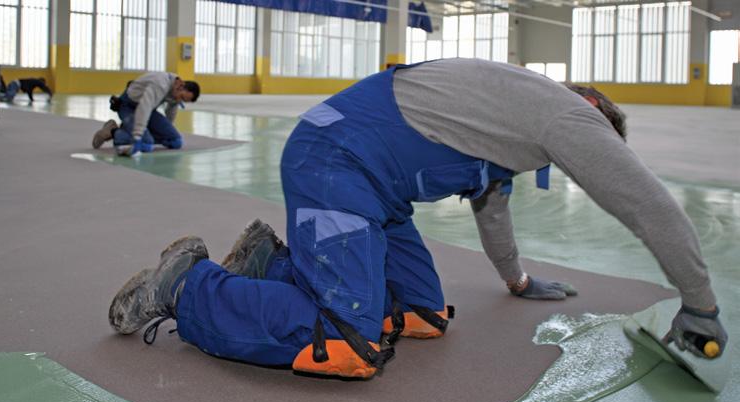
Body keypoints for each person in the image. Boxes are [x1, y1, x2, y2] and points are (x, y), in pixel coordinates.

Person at [108, 58, 728, 379]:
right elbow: (648, 206)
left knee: (422, 317)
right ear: (597, 120)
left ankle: (274, 263)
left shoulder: (517, 118)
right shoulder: (568, 117)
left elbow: (494, 210)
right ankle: (187, 285)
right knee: (349, 345)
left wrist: (515, 282)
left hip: (377, 195)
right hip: (334, 161)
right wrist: (700, 303)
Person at [91, 72, 200, 156]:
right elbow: (144, 107)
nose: (179, 100)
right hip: (128, 106)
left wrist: (166, 130)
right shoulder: (161, 84)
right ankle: (113, 132)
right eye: (181, 98)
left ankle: (132, 131)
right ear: (181, 86)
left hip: (149, 109)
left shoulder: (177, 87)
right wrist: (138, 135)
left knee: (175, 141)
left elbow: (171, 110)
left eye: (183, 101)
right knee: (146, 144)